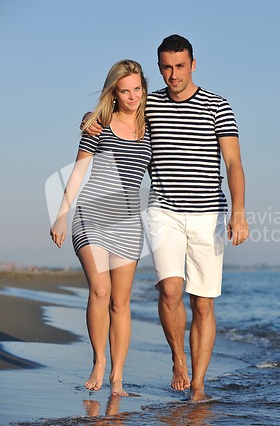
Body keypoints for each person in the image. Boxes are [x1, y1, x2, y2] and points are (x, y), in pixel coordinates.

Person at [83, 35, 249, 401]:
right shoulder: (149, 103)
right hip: (163, 211)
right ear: (159, 67)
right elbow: (112, 111)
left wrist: (239, 210)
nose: (173, 74)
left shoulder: (218, 106)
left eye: (180, 66)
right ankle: (178, 359)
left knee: (203, 303)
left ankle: (199, 385)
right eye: (166, 67)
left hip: (210, 214)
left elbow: (233, 162)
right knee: (171, 289)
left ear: (193, 64)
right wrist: (89, 120)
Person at [50, 60, 151, 395]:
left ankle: (117, 376)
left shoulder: (152, 128)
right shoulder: (99, 125)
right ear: (114, 92)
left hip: (127, 224)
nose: (132, 96)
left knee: (121, 302)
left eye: (137, 88)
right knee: (101, 291)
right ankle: (99, 360)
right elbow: (78, 172)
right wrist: (61, 214)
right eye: (125, 90)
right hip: (90, 218)